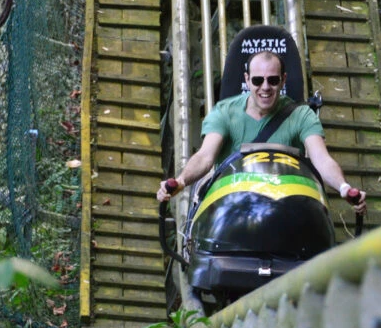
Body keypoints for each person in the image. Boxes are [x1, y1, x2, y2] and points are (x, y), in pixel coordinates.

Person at [156, 50, 367, 214]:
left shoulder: (301, 115)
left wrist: (343, 188)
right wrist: (181, 181)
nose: (265, 87)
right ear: (247, 80)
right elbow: (205, 156)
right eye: (258, 80)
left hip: (286, 205)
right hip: (233, 203)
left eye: (273, 80)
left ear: (283, 80)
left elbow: (321, 159)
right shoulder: (225, 112)